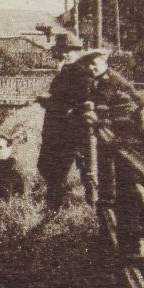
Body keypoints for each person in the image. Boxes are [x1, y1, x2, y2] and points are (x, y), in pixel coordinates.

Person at [80, 49, 144, 259]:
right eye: (88, 65)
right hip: (124, 134)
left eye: (95, 63)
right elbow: (97, 104)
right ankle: (140, 219)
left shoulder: (112, 81)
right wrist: (92, 111)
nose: (91, 68)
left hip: (135, 133)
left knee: (133, 179)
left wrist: (100, 120)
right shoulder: (99, 82)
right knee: (127, 181)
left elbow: (128, 109)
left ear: (104, 62)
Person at [35, 33, 90, 207]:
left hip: (67, 130)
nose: (64, 54)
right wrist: (47, 99)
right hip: (55, 129)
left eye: (69, 51)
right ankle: (55, 202)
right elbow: (58, 96)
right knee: (45, 166)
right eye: (61, 51)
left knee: (56, 170)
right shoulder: (65, 71)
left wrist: (52, 102)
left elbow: (77, 101)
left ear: (77, 51)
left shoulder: (82, 73)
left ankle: (56, 205)